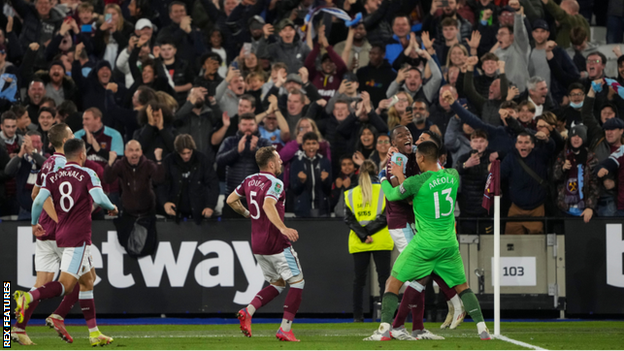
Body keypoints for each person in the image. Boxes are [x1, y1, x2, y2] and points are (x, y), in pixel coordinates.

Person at [366, 141, 490, 341]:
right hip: (449, 244)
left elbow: (392, 194)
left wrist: (385, 176)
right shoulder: (453, 176)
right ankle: (483, 330)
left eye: (417, 157)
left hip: (424, 244)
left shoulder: (417, 181)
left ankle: (383, 332)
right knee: (463, 287)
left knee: (393, 283)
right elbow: (431, 182)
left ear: (422, 158)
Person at [16, 138, 118, 347]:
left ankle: (93, 332)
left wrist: (34, 223)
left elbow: (36, 200)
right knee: (67, 285)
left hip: (59, 234)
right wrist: (113, 206)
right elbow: (99, 198)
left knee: (88, 279)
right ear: (82, 155)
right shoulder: (88, 173)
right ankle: (27, 298)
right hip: (78, 237)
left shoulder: (52, 174)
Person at [227, 146, 303, 342]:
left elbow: (230, 200)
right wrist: (283, 228)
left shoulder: (249, 180)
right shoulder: (276, 183)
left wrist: (247, 213)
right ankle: (285, 328)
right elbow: (268, 204)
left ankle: (248, 310)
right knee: (298, 282)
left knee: (277, 283)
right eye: (278, 160)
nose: (281, 163)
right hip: (276, 243)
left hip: (258, 244)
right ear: (270, 164)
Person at [343, 160, 393, 322]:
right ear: (376, 172)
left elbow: (348, 219)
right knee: (384, 279)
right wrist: (369, 232)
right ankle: (387, 316)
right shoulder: (384, 190)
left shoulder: (350, 193)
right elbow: (387, 216)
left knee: (359, 281)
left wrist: (364, 235)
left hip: (359, 241)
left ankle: (358, 316)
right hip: (381, 239)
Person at [216, 113, 272, 217]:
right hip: (233, 198)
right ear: (239, 126)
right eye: (244, 124)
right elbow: (219, 161)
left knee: (257, 232)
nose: (248, 127)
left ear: (256, 126)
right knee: (229, 232)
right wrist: (236, 151)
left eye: (251, 124)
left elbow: (272, 166)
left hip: (258, 199)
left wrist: (256, 151)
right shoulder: (230, 141)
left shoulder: (264, 143)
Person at [501, 133, 555, 234]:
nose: (523, 145)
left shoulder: (540, 156)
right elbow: (499, 175)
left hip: (537, 209)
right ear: (516, 145)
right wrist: (491, 170)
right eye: (520, 142)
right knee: (510, 243)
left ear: (533, 145)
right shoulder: (510, 158)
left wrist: (547, 140)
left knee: (536, 244)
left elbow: (551, 148)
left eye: (526, 142)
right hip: (515, 209)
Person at [159, 134, 219, 224]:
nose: (186, 156)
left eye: (189, 152)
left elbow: (213, 184)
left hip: (199, 212)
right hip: (176, 212)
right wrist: (165, 202)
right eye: (183, 153)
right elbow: (161, 184)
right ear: (177, 151)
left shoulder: (202, 160)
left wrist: (210, 205)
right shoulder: (169, 161)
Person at [552, 124, 599, 222]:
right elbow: (555, 177)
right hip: (564, 208)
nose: (576, 139)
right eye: (573, 136)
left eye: (579, 136)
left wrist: (590, 207)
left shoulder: (591, 157)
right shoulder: (563, 155)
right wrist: (562, 169)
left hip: (585, 210)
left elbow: (595, 184)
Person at [289, 132, 332, 218]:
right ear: (303, 146)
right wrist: (300, 181)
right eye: (308, 144)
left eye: (313, 143)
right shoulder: (296, 163)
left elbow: (329, 189)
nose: (311, 146)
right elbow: (293, 189)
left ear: (318, 146)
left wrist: (326, 181)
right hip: (303, 210)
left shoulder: (325, 162)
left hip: (322, 209)